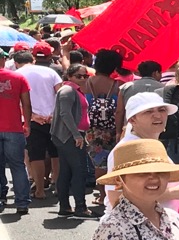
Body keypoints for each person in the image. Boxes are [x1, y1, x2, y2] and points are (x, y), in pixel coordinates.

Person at [104, 92, 179, 215]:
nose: (157, 115)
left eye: (162, 110)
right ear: (132, 120)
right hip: (132, 228)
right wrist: (174, 193)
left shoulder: (153, 145)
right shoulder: (127, 150)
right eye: (148, 111)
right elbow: (115, 198)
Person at [51, 64, 98, 219]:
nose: (83, 79)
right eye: (79, 76)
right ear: (69, 76)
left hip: (70, 136)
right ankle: (80, 208)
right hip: (69, 137)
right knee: (79, 171)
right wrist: (77, 135)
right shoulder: (68, 90)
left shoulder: (73, 90)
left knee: (66, 171)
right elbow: (65, 114)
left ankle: (65, 207)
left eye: (85, 76)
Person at [15, 50, 62, 199]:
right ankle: (58, 185)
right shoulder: (50, 72)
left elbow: (17, 100)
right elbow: (61, 93)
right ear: (33, 59)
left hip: (32, 120)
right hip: (54, 118)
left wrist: (33, 115)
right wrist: (54, 114)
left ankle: (40, 190)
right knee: (56, 154)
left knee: (36, 156)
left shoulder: (18, 74)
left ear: (16, 63)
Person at [84, 49, 123, 205]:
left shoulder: (86, 83)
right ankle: (112, 194)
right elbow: (119, 111)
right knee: (114, 161)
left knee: (99, 162)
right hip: (112, 128)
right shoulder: (117, 86)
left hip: (93, 129)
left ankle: (101, 195)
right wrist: (120, 130)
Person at [0, 50, 32, 215]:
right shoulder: (18, 77)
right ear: (4, 59)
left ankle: (1, 198)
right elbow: (26, 104)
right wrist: (27, 123)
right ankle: (21, 203)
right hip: (14, 127)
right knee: (18, 166)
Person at [116, 60, 164, 138]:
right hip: (156, 131)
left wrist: (118, 132)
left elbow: (119, 111)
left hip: (131, 130)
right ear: (155, 73)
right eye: (160, 73)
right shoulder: (164, 88)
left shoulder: (126, 87)